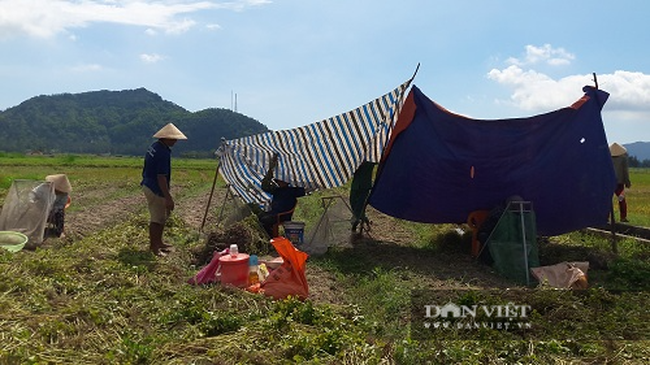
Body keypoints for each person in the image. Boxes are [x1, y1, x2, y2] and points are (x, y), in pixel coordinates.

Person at [141, 122, 187, 256]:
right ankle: (154, 248)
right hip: (155, 187)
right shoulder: (162, 152)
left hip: (148, 183)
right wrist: (168, 197)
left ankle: (159, 242)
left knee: (161, 217)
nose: (175, 141)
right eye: (173, 138)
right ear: (166, 138)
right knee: (157, 219)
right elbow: (161, 176)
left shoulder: (155, 147)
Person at [257, 154, 306, 237]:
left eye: (281, 181)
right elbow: (265, 186)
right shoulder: (277, 190)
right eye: (278, 181)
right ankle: (269, 238)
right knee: (259, 217)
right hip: (274, 213)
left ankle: (271, 239)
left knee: (265, 220)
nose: (279, 182)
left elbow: (303, 190)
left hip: (283, 216)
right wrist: (271, 170)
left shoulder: (292, 191)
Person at [45, 174, 72, 238]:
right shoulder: (44, 188)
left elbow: (61, 205)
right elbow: (33, 194)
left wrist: (52, 209)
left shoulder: (64, 195)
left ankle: (60, 232)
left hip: (53, 210)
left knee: (60, 212)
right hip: (40, 207)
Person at [610, 142, 631, 222]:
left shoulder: (608, 158)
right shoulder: (623, 159)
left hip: (610, 182)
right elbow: (625, 171)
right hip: (620, 183)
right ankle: (623, 217)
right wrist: (627, 182)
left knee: (608, 200)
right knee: (621, 200)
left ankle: (606, 216)